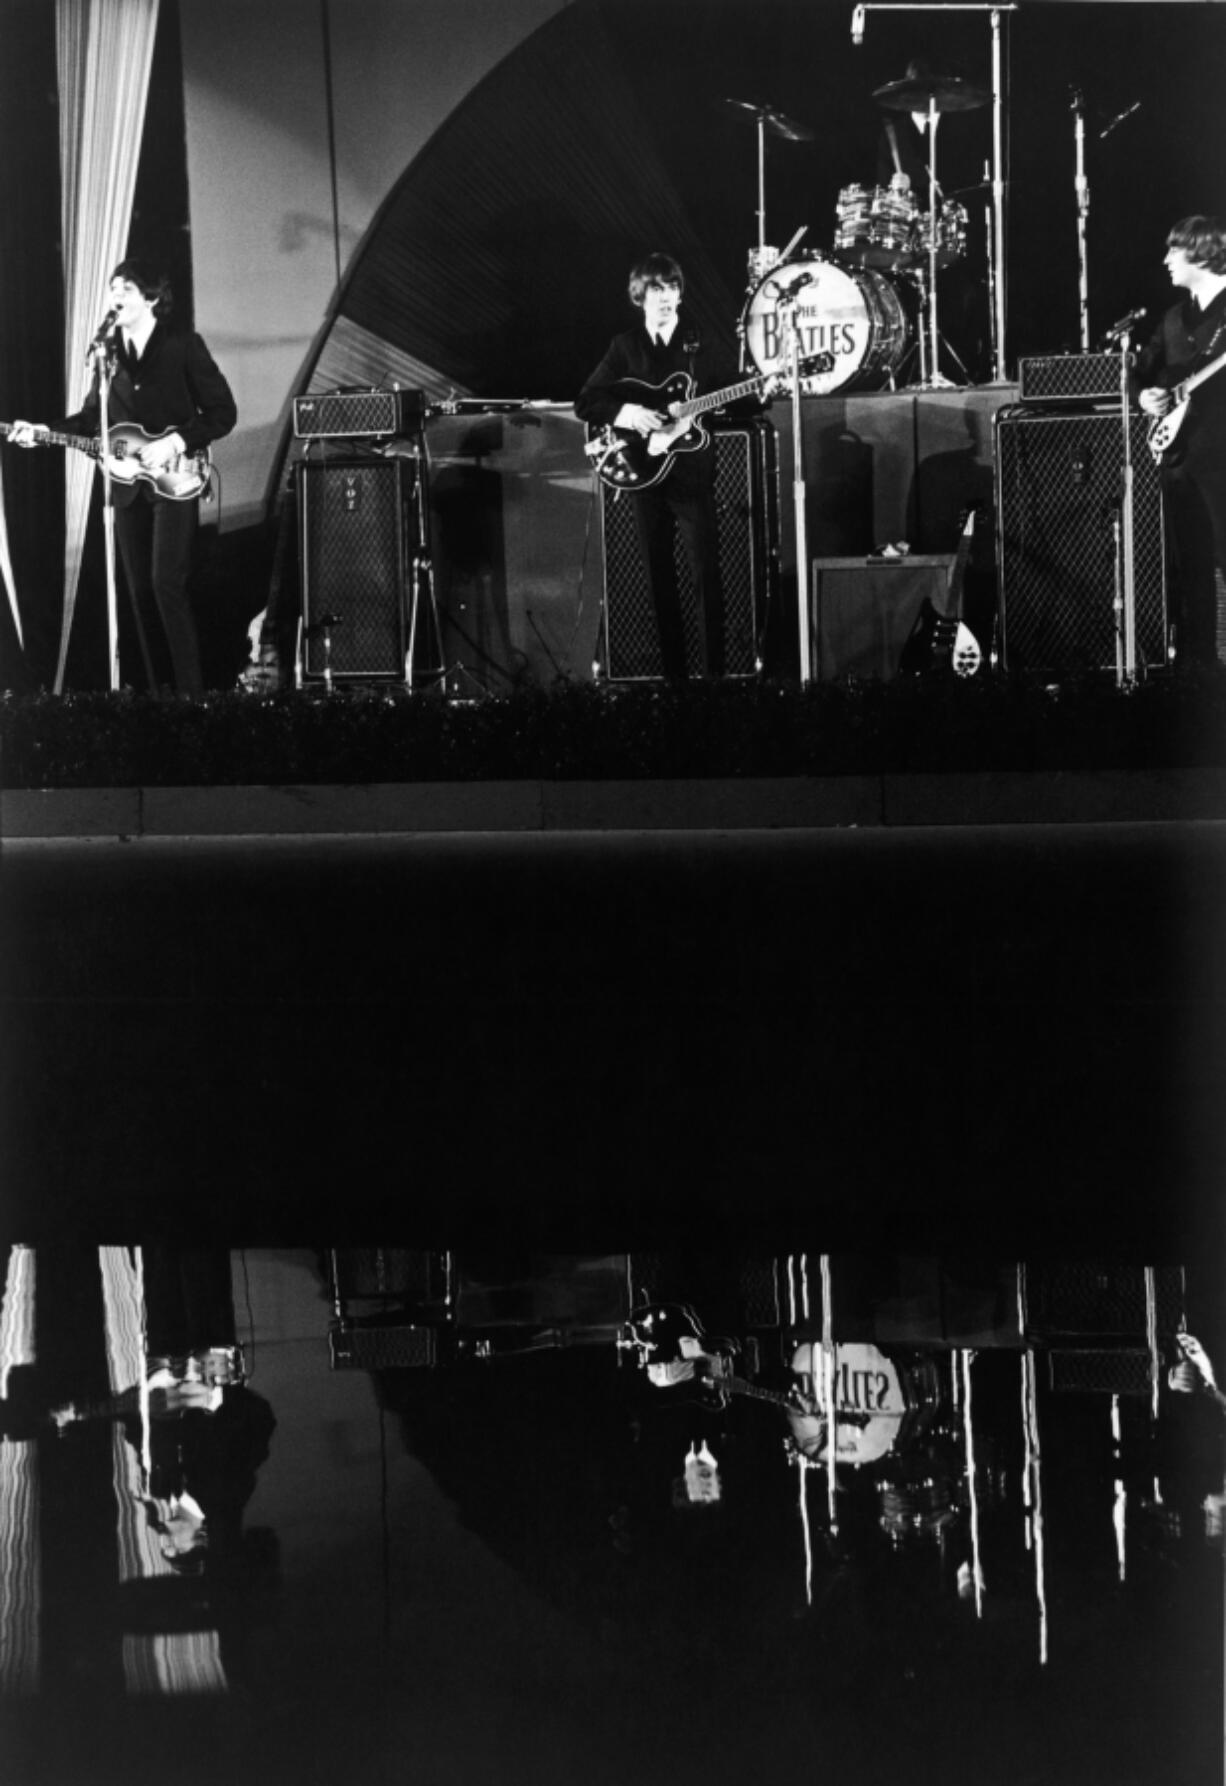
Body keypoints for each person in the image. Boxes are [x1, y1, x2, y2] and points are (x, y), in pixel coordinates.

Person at [9, 259, 237, 696]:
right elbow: (93, 419)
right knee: (137, 593)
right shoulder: (108, 356)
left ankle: (192, 697)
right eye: (113, 287)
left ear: (151, 297)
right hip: (129, 487)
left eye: (127, 287)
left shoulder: (183, 346)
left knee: (166, 581)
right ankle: (157, 693)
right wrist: (42, 432)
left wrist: (174, 443)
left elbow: (223, 413)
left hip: (177, 477)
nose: (116, 294)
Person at [576, 253, 740, 679]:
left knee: (706, 576)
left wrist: (764, 385)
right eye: (655, 289)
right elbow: (587, 401)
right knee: (657, 581)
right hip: (644, 475)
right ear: (639, 296)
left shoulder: (701, 343)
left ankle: (715, 681)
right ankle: (675, 684)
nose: (665, 297)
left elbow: (734, 393)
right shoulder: (624, 346)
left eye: (671, 288)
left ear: (680, 295)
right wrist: (630, 414)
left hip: (691, 477)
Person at [1136, 215, 1226, 667]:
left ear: (1200, 251)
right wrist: (1146, 396)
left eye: (1174, 249)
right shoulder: (1173, 318)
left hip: (1221, 458)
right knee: (1189, 567)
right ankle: (1199, 668)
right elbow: (1144, 370)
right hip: (1177, 460)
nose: (1166, 259)